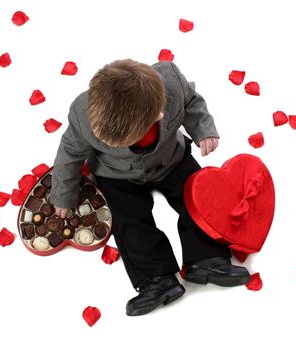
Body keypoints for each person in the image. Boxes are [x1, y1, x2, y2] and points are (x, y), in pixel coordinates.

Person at [49, 59, 250, 316]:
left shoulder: (172, 84)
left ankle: (206, 259)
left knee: (199, 198)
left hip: (171, 160)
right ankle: (157, 278)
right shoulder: (82, 113)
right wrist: (63, 195)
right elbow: (69, 154)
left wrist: (203, 130)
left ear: (158, 115)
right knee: (127, 220)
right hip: (117, 174)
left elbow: (192, 103)